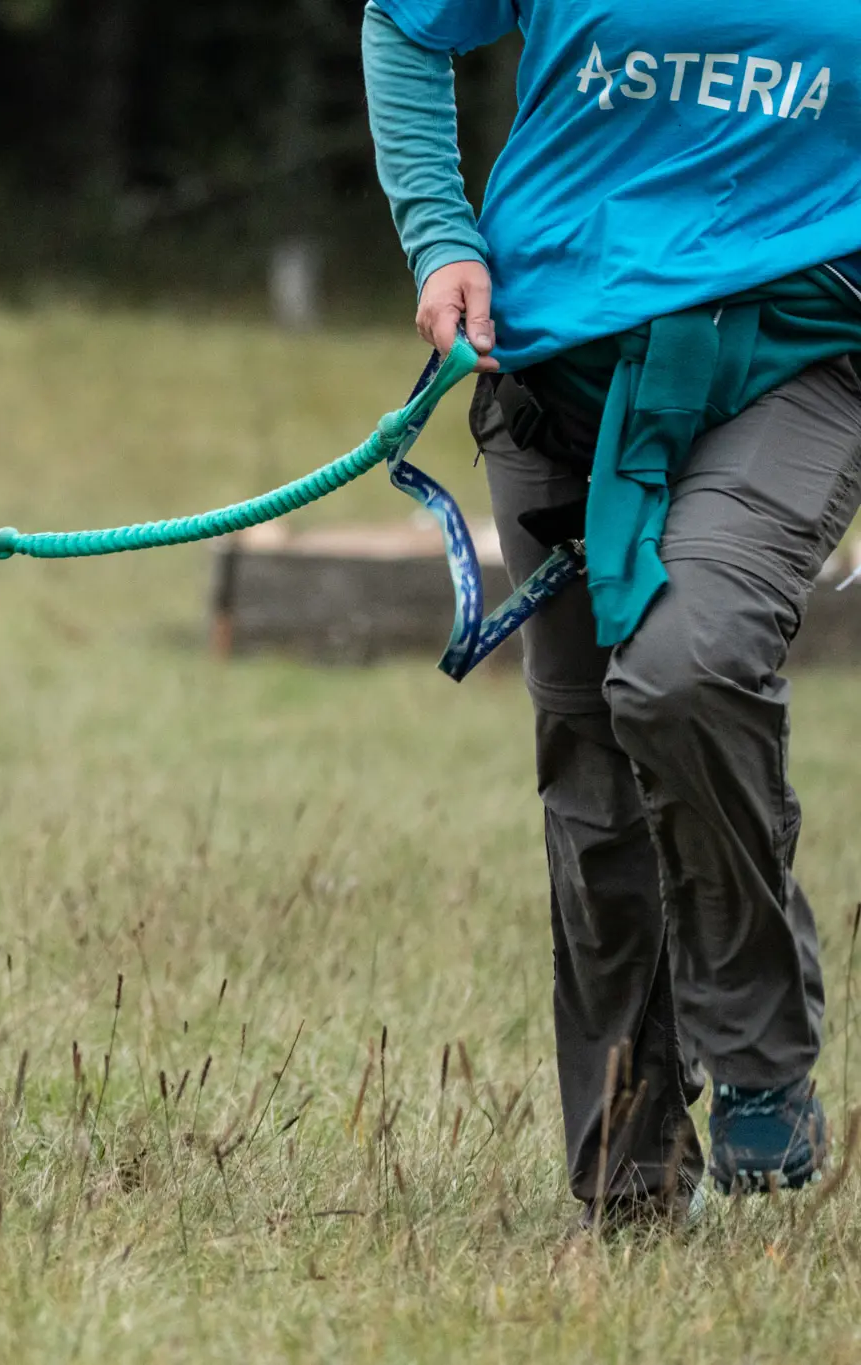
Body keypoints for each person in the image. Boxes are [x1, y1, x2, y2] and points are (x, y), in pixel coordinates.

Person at [363, 0, 861, 1226]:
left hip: (797, 343)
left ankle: (757, 1040)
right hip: (554, 365)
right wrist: (440, 238)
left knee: (685, 667)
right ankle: (628, 1181)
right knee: (591, 782)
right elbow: (405, 22)